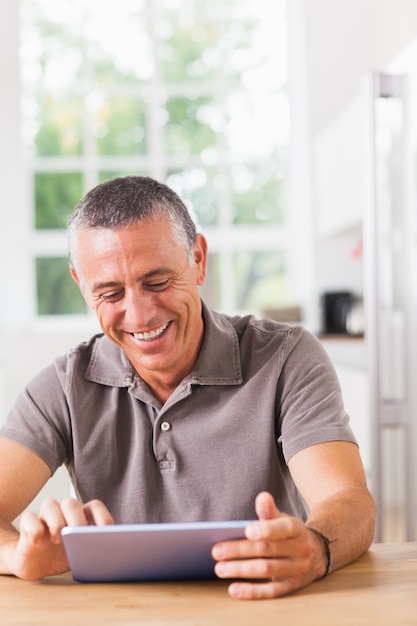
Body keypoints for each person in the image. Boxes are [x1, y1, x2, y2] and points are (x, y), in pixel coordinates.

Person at [0, 176, 375, 600]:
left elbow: (348, 499)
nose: (139, 315)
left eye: (157, 282)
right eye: (110, 292)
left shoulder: (286, 357)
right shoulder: (64, 386)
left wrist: (317, 546)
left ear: (198, 259)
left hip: (262, 606)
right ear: (82, 286)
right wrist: (15, 555)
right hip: (124, 613)